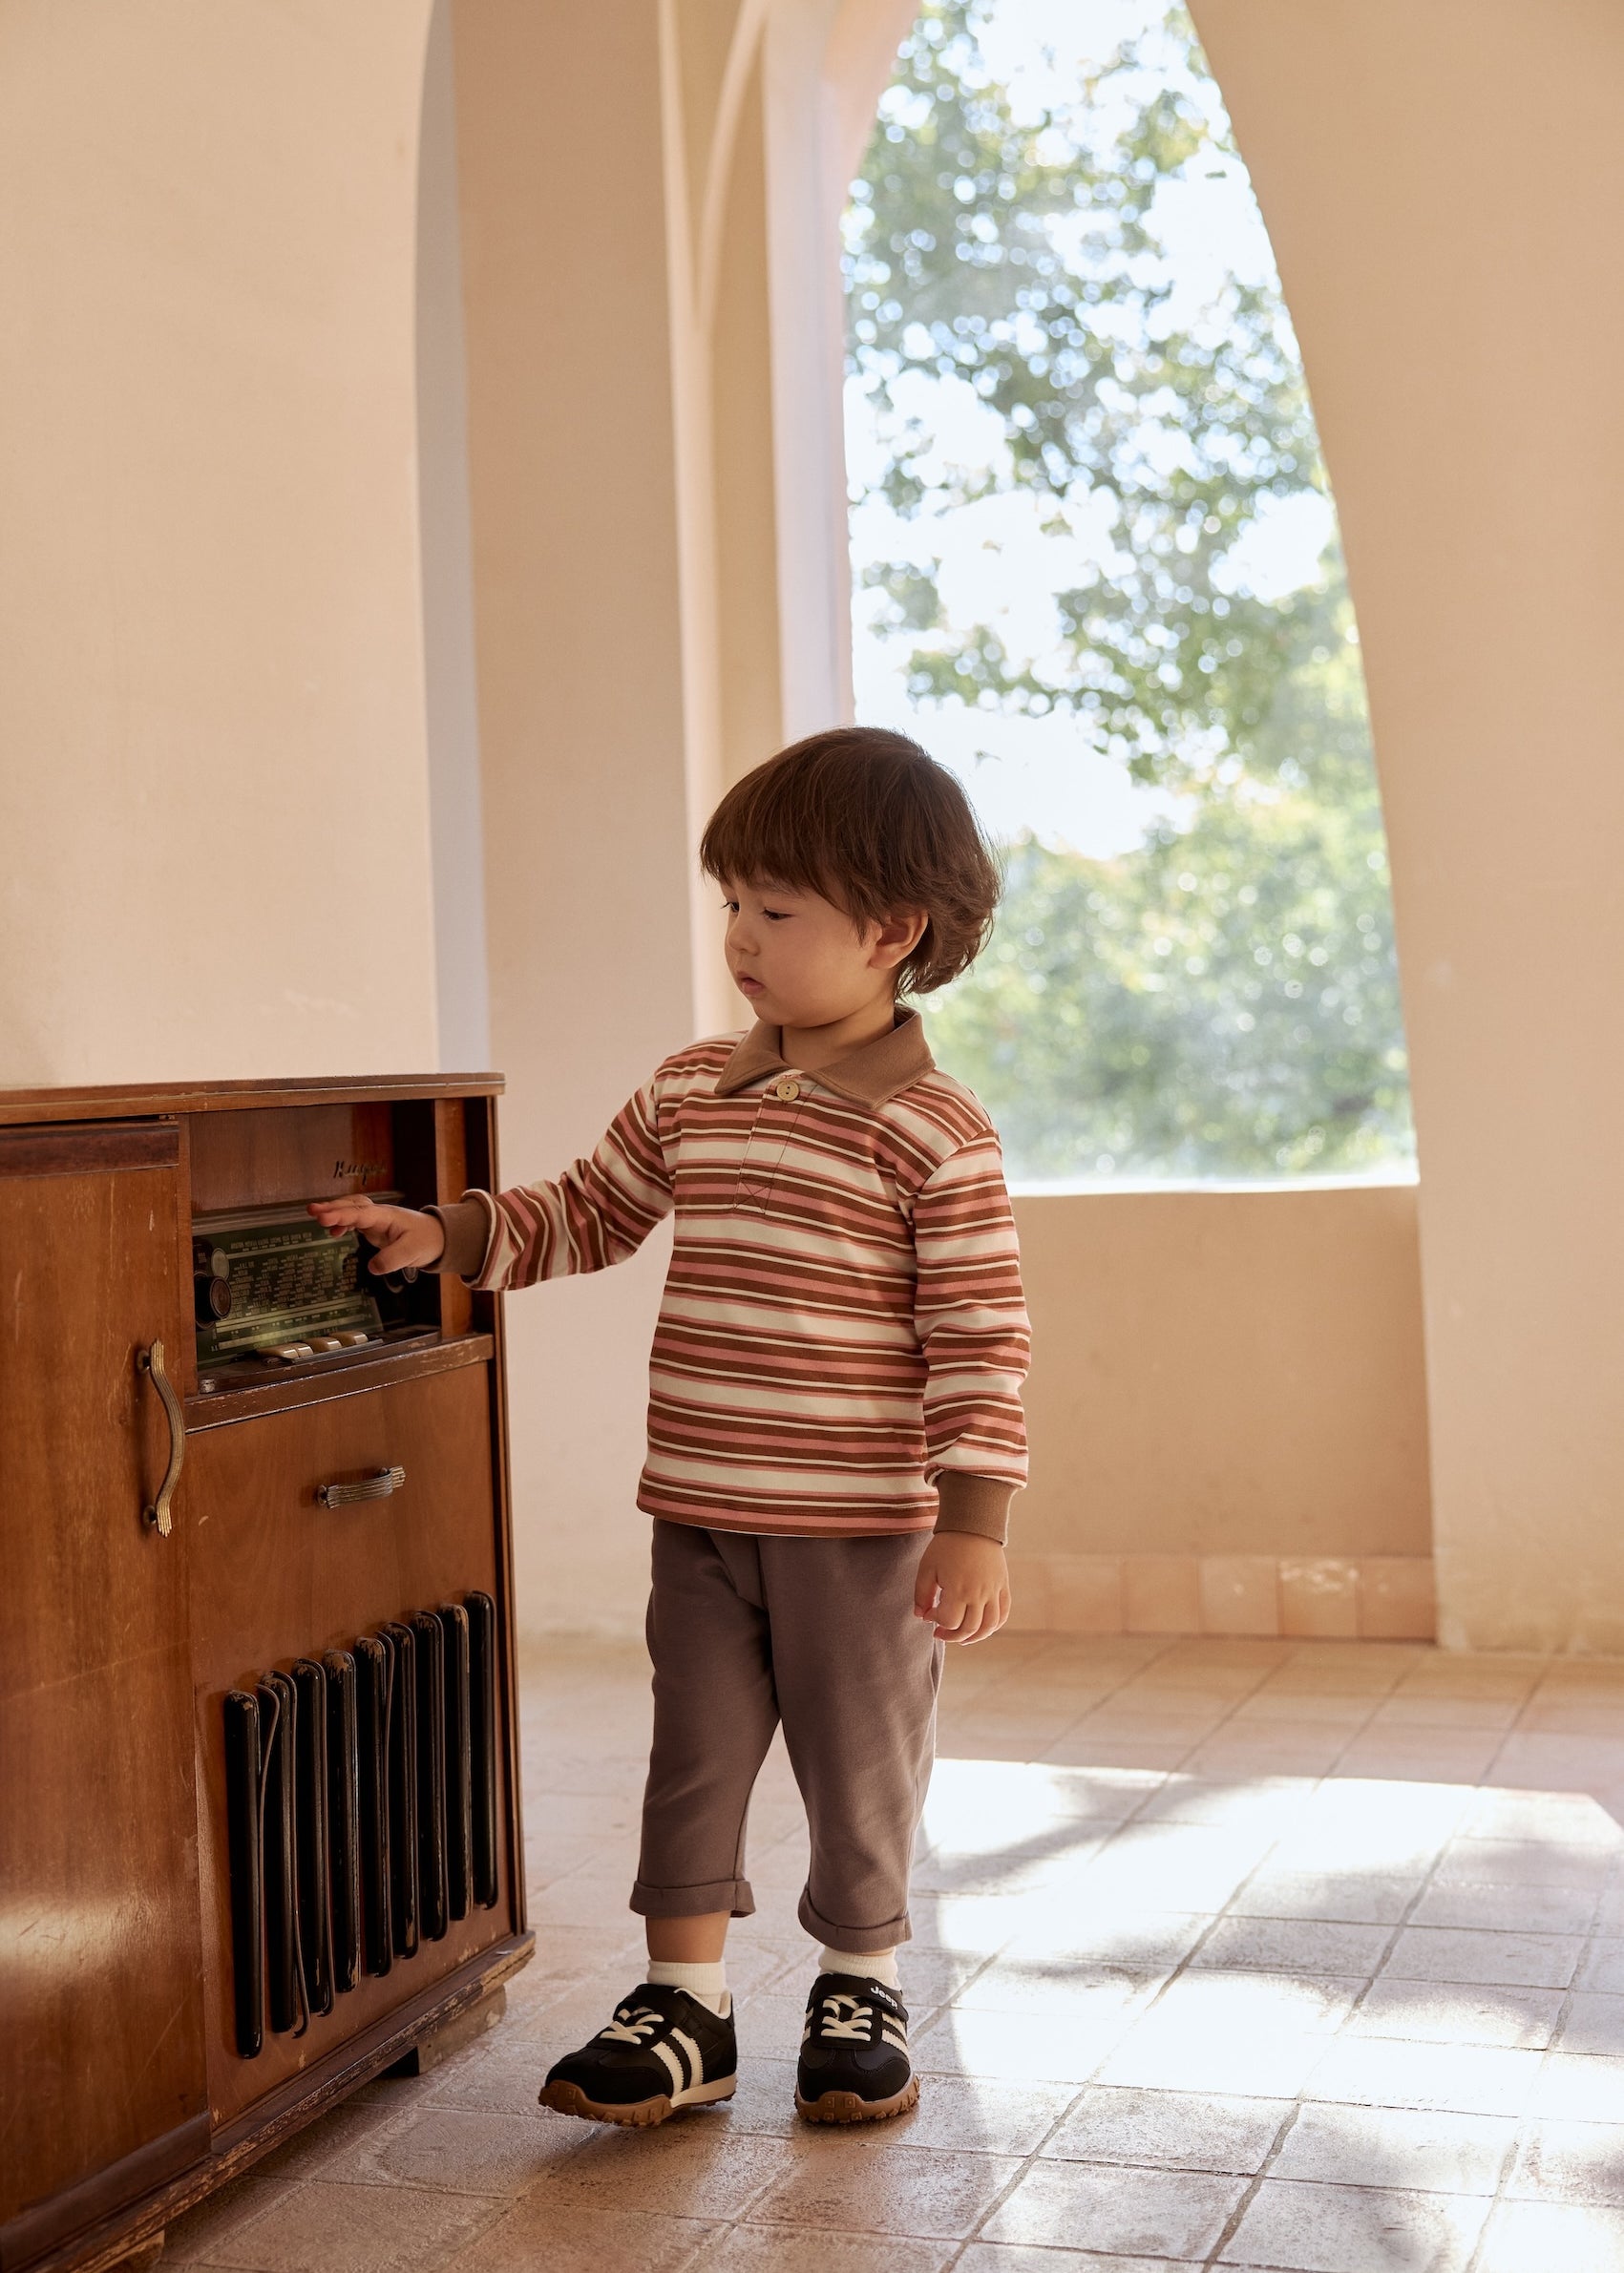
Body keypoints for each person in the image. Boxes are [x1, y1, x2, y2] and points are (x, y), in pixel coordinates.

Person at [310, 726, 1029, 2128]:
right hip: (698, 1508)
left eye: (776, 911)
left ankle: (860, 1981)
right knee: (690, 1748)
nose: (740, 940)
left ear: (891, 930)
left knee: (857, 1759)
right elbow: (584, 1210)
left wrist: (974, 1520)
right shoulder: (693, 1085)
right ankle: (682, 1998)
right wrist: (443, 1231)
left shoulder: (935, 1132)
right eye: (731, 906)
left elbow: (980, 1340)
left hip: (859, 1530)